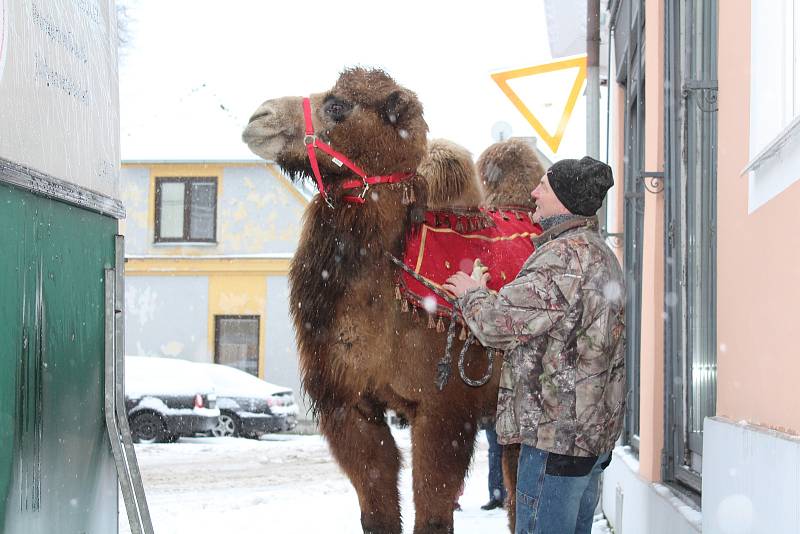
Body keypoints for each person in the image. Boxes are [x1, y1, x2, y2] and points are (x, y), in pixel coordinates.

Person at [443, 156, 625, 534]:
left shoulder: (562, 257)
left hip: (556, 441)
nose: (533, 193)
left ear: (562, 199)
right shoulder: (598, 252)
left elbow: (496, 327)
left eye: (543, 186)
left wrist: (471, 293)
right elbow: (553, 324)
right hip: (588, 439)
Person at [479, 417, 506, 511]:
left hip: (501, 415)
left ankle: (500, 495)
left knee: (499, 453)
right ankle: (497, 495)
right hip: (493, 417)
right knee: (496, 454)